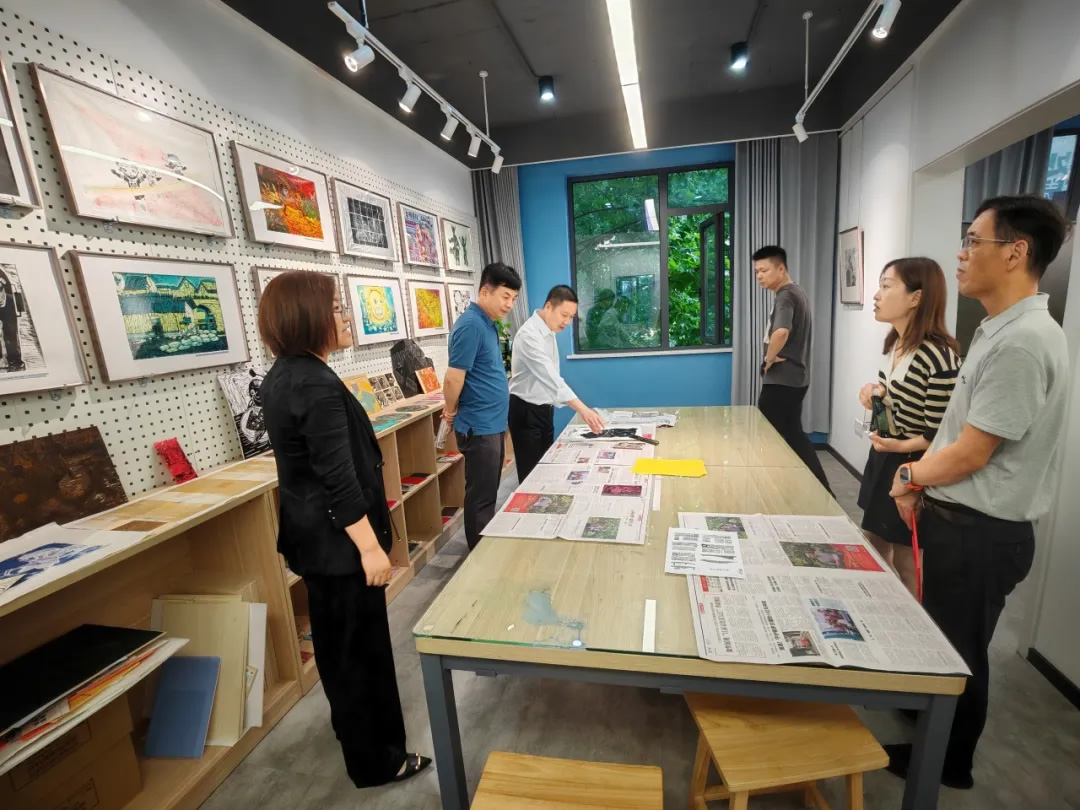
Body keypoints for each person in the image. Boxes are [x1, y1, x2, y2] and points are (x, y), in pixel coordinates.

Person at [887, 195, 1071, 789]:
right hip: (959, 521)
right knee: (945, 638)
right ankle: (928, 722)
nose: (961, 255)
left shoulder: (1024, 342)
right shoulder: (999, 330)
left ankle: (948, 763)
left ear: (1016, 252)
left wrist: (912, 475)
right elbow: (958, 434)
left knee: (960, 651)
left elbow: (972, 452)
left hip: (981, 532)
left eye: (973, 242)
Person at [257, 270, 430, 788]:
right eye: (336, 308)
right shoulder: (314, 384)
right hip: (340, 548)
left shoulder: (286, 374)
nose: (346, 317)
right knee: (361, 655)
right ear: (307, 316)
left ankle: (355, 736)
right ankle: (380, 760)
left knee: (339, 651)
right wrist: (372, 549)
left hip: (316, 543)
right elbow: (338, 478)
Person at [856, 258, 961, 597]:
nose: (877, 295)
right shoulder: (896, 344)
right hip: (885, 457)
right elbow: (898, 399)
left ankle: (915, 622)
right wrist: (874, 393)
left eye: (886, 286)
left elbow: (940, 435)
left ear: (916, 297)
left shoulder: (939, 356)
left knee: (908, 561)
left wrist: (899, 449)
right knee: (875, 542)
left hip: (912, 466)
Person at [442, 261, 521, 550]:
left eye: (514, 298)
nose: (510, 304)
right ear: (485, 291)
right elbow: (453, 378)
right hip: (479, 425)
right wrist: (450, 410)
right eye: (505, 296)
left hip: (492, 423)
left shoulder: (487, 324)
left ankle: (482, 547)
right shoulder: (471, 325)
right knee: (481, 496)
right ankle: (477, 556)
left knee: (489, 491)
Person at [752, 245, 831, 492]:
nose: (759, 276)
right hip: (796, 379)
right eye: (756, 272)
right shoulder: (798, 292)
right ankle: (820, 490)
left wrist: (768, 360)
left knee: (774, 439)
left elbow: (781, 332)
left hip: (782, 381)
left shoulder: (785, 296)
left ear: (781, 268)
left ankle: (785, 491)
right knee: (794, 436)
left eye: (764, 270)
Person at [509, 285, 606, 481]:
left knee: (545, 468)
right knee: (531, 475)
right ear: (548, 306)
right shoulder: (529, 335)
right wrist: (583, 410)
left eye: (571, 317)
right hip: (526, 411)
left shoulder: (548, 330)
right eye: (564, 315)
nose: (567, 322)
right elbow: (551, 379)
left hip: (545, 409)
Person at [0, 266, 25, 372]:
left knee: (11, 334)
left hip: (8, 306)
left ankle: (15, 362)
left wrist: (19, 308)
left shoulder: (11, 298)